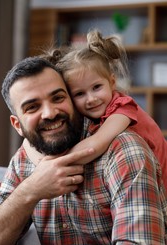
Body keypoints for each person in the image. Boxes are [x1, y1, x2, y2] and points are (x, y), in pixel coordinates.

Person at [0, 56, 167, 245]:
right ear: (17, 125)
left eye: (58, 98)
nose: (50, 113)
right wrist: (30, 190)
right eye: (32, 107)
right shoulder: (24, 160)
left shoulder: (123, 149)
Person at [24, 29, 167, 190]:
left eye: (97, 87)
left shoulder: (123, 108)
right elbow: (27, 143)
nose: (91, 99)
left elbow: (95, 145)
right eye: (79, 94)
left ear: (112, 82)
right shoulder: (86, 114)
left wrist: (48, 165)